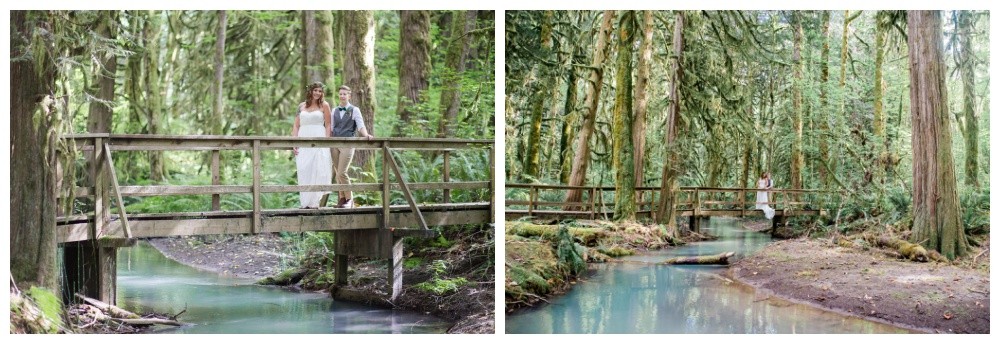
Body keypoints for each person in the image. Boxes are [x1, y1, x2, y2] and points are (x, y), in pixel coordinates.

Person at [330, 85, 374, 208]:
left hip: (348, 143)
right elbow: (332, 128)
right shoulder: (334, 111)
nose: (342, 96)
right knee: (337, 172)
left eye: (345, 94)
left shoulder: (354, 110)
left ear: (349, 96)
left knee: (342, 172)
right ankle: (342, 199)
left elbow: (360, 125)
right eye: (340, 94)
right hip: (334, 144)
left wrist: (366, 135)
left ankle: (350, 200)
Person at [292, 82, 333, 209]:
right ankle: (304, 202)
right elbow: (296, 125)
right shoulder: (301, 106)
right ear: (310, 91)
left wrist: (326, 142)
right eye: (315, 90)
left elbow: (328, 124)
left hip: (318, 138)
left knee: (317, 168)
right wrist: (294, 141)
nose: (317, 93)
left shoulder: (324, 105)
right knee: (304, 169)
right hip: (303, 139)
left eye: (320, 91)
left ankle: (314, 202)